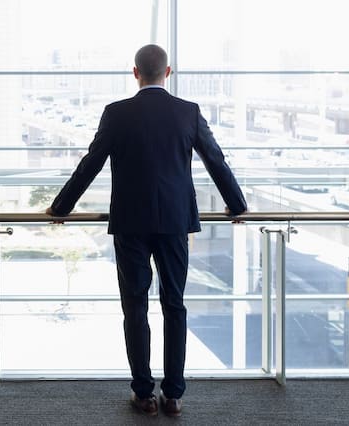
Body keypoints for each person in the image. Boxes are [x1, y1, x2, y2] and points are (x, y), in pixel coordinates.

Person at [45, 44, 247, 417]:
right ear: (167, 73)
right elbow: (215, 159)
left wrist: (61, 208)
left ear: (135, 73)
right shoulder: (188, 113)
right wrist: (237, 205)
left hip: (131, 224)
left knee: (135, 308)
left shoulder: (117, 114)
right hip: (174, 224)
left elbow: (90, 164)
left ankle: (143, 394)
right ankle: (173, 395)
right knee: (175, 305)